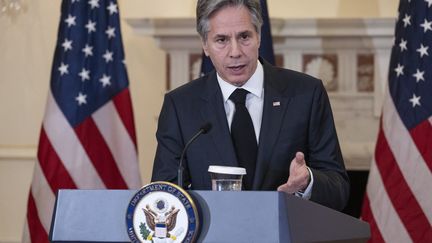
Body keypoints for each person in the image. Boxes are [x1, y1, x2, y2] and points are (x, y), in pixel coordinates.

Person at [151, 0, 349, 211]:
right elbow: (164, 195)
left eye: (244, 37)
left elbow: (339, 189)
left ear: (259, 36)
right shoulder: (180, 106)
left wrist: (307, 181)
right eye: (221, 40)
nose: (235, 52)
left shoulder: (306, 94)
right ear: (205, 45)